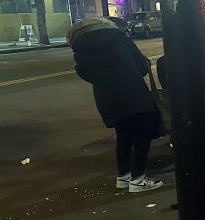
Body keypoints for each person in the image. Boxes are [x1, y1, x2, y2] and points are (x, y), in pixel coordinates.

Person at [67, 17, 163, 193]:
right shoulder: (118, 38)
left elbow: (83, 72)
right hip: (132, 92)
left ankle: (123, 176)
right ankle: (138, 179)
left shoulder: (81, 48)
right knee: (143, 133)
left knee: (124, 135)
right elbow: (141, 67)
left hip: (106, 98)